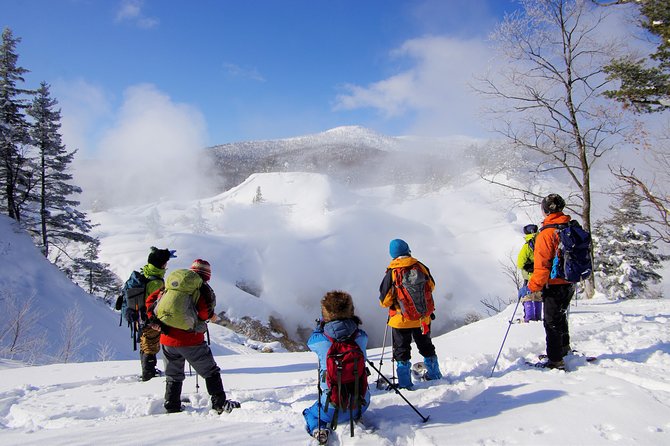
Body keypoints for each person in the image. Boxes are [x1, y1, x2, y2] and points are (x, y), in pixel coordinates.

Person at [146, 259, 239, 414]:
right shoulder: (201, 288)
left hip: (167, 338)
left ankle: (172, 404)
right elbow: (203, 313)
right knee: (210, 371)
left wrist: (154, 321)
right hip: (190, 339)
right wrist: (209, 316)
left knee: (173, 374)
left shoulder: (172, 284)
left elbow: (150, 302)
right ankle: (219, 404)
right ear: (207, 275)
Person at [302, 291, 371, 442]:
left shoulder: (320, 341)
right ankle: (357, 417)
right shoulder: (361, 338)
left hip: (330, 409)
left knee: (310, 412)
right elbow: (361, 333)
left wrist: (320, 325)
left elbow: (311, 341)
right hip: (361, 403)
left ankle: (318, 429)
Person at [378, 239, 442, 389]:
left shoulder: (392, 272)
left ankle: (405, 383)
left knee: (401, 351)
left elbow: (384, 301)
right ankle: (435, 374)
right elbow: (431, 286)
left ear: (392, 254)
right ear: (408, 250)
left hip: (401, 320)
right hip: (422, 318)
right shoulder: (420, 266)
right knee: (426, 346)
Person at [526, 194, 575, 369]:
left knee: (551, 322)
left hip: (554, 284)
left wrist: (531, 287)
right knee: (560, 316)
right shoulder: (570, 226)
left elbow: (542, 267)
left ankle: (555, 360)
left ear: (546, 210)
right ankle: (564, 349)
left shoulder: (547, 233)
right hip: (570, 280)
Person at [128, 246, 175, 381]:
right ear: (161, 264)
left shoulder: (146, 273)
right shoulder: (156, 282)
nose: (166, 265)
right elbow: (157, 302)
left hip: (139, 317)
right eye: (165, 262)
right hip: (149, 318)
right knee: (151, 344)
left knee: (145, 342)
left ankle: (147, 369)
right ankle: (149, 373)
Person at [517, 224, 542, 322]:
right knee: (538, 295)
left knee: (527, 296)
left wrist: (527, 266)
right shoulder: (541, 242)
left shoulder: (527, 245)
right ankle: (538, 317)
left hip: (529, 276)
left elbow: (520, 262)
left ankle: (529, 318)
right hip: (541, 274)